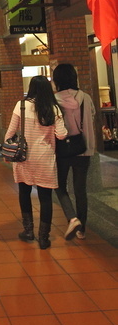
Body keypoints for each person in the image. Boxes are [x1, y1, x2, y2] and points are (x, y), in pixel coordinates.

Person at [4, 75, 68, 249]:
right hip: (45, 159)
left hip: (24, 158)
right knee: (45, 198)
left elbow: (9, 133)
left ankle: (29, 231)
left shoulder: (21, 105)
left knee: (24, 193)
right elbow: (62, 135)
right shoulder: (53, 109)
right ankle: (44, 238)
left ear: (31, 88)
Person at [53, 63, 96, 241]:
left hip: (62, 149)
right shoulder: (85, 97)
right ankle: (82, 230)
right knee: (80, 189)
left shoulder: (54, 99)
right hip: (82, 147)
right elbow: (92, 115)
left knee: (60, 186)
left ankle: (72, 217)